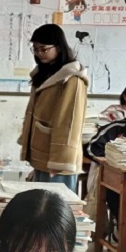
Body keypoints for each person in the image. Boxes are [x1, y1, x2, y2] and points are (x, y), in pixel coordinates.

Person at [20, 24, 88, 192]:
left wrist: (60, 161)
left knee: (57, 203)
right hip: (44, 151)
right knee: (40, 201)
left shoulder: (72, 78)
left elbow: (69, 123)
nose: (39, 53)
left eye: (44, 49)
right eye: (35, 49)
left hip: (59, 158)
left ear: (58, 46)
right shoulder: (44, 73)